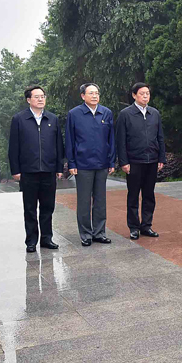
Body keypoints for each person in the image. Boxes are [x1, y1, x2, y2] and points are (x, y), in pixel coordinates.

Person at [8, 85, 64, 253]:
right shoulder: (19, 119)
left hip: (48, 170)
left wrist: (59, 167)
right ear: (28, 100)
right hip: (28, 171)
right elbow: (14, 146)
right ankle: (31, 241)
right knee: (30, 208)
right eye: (36, 96)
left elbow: (58, 145)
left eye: (43, 96)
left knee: (48, 207)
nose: (40, 99)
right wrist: (15, 170)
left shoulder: (52, 118)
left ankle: (46, 238)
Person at [65, 83, 115, 246]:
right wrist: (71, 163)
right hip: (82, 164)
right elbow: (70, 140)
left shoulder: (106, 113)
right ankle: (86, 234)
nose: (94, 96)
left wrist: (111, 161)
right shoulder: (74, 114)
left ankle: (99, 232)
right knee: (84, 201)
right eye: (91, 93)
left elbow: (111, 139)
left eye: (97, 93)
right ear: (82, 96)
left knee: (100, 200)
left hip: (102, 163)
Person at [116, 82, 166, 240]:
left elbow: (160, 137)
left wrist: (161, 158)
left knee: (149, 195)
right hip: (134, 161)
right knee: (133, 195)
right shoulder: (125, 114)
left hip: (152, 160)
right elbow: (121, 140)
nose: (145, 96)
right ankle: (133, 227)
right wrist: (124, 162)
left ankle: (146, 225)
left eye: (147, 94)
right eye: (142, 94)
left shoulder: (154, 113)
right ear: (134, 95)